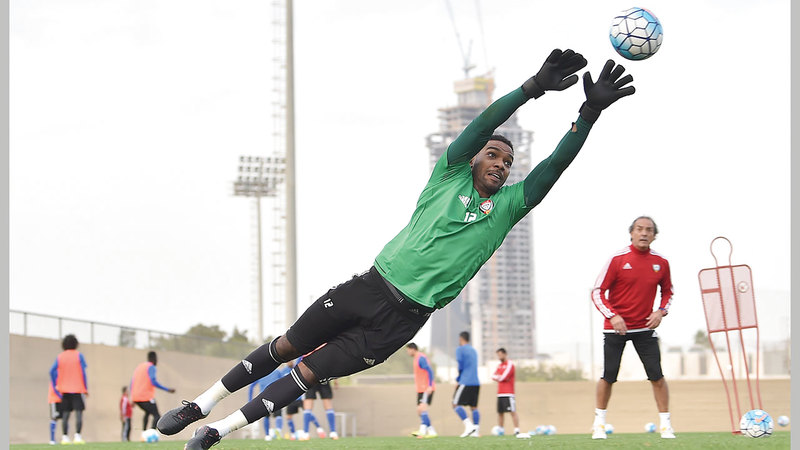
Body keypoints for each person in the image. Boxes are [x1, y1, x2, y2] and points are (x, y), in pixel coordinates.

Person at [157, 48, 637, 450]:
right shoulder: (448, 172)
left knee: (307, 373)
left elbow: (555, 164)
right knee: (286, 346)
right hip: (369, 287)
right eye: (493, 154)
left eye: (508, 160)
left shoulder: (510, 206)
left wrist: (587, 113)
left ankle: (217, 430)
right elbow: (486, 121)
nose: (502, 163)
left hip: (403, 321)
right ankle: (200, 403)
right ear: (473, 157)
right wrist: (532, 86)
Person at [590, 216, 675, 440]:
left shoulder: (661, 263)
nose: (644, 233)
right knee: (608, 376)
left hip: (644, 329)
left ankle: (666, 426)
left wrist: (661, 311)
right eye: (639, 229)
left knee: (657, 376)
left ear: (655, 235)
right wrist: (613, 316)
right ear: (631, 233)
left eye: (649, 230)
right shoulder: (617, 259)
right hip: (615, 329)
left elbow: (668, 292)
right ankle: (599, 424)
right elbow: (597, 291)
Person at [49, 334, 88, 445]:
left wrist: (56, 385)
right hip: (77, 389)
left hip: (64, 390)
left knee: (66, 414)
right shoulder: (79, 356)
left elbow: (51, 371)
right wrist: (85, 388)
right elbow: (83, 373)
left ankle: (65, 437)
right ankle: (77, 436)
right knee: (78, 413)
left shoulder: (60, 357)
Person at [247, 360, 294, 440]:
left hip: (264, 397)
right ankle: (278, 430)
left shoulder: (260, 374)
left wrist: (250, 400)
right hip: (276, 396)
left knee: (267, 416)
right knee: (278, 415)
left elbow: (251, 387)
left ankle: (268, 435)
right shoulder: (276, 372)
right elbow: (284, 383)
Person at [130, 351, 175, 432]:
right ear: (154, 358)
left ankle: (144, 433)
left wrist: (132, 397)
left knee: (147, 412)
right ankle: (151, 433)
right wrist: (167, 389)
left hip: (136, 397)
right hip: (146, 397)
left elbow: (132, 381)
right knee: (157, 416)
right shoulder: (151, 367)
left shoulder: (140, 366)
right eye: (156, 359)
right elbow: (153, 381)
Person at [406, 342, 437, 438]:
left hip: (425, 388)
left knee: (422, 408)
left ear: (412, 349)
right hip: (420, 389)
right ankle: (431, 431)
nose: (408, 352)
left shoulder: (420, 358)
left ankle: (422, 431)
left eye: (408, 350)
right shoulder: (416, 358)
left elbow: (430, 370)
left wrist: (430, 385)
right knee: (420, 410)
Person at [453, 331, 480, 437]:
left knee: (455, 404)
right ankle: (476, 431)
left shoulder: (460, 349)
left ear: (461, 338)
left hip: (465, 381)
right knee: (474, 407)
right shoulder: (473, 350)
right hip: (476, 382)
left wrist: (458, 380)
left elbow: (460, 366)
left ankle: (469, 426)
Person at [491, 348, 520, 436]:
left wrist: (499, 377)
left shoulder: (510, 364)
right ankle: (500, 430)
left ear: (505, 354)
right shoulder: (499, 366)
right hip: (500, 393)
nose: (499, 357)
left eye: (500, 355)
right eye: (498, 355)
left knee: (512, 411)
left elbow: (503, 377)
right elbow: (493, 376)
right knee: (500, 413)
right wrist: (499, 377)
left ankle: (516, 430)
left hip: (508, 393)